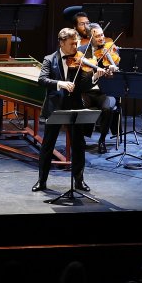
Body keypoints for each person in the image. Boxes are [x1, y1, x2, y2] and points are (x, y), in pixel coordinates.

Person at [33, 28, 107, 192]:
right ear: (61, 43)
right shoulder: (49, 59)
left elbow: (83, 86)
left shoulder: (79, 60)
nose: (76, 47)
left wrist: (95, 76)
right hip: (55, 108)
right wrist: (61, 83)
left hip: (74, 107)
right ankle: (41, 181)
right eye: (72, 43)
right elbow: (42, 79)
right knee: (47, 145)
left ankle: (79, 180)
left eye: (77, 43)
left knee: (79, 145)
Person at [79, 24, 119, 154]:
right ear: (90, 38)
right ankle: (80, 139)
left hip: (105, 92)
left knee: (108, 108)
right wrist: (94, 75)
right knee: (76, 104)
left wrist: (113, 70)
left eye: (102, 35)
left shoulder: (110, 50)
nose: (102, 38)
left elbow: (118, 76)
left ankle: (102, 140)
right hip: (87, 92)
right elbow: (79, 76)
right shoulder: (82, 51)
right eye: (97, 36)